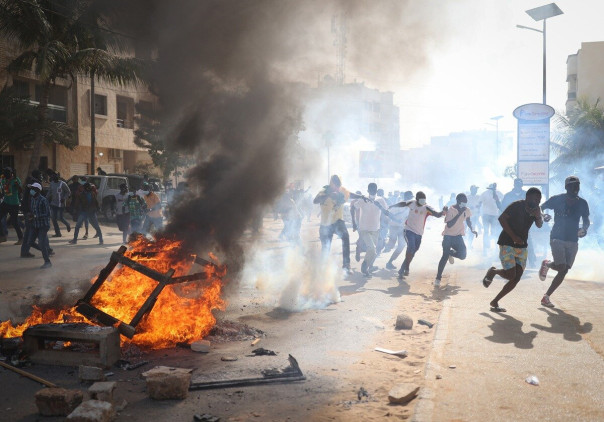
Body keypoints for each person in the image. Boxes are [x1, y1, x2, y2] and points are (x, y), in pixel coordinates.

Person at [481, 188, 543, 312]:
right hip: (507, 243)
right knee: (510, 275)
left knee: (516, 278)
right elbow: (501, 219)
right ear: (527, 197)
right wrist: (514, 237)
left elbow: (539, 225)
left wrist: (538, 216)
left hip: (522, 246)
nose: (536, 202)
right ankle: (493, 271)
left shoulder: (537, 210)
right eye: (534, 199)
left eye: (539, 200)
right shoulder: (516, 205)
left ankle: (495, 301)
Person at [538, 176, 590, 308]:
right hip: (557, 237)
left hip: (573, 239)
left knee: (564, 270)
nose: (575, 188)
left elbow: (586, 220)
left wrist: (584, 229)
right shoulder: (557, 199)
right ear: (566, 187)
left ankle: (546, 296)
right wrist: (543, 215)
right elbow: (541, 207)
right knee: (561, 267)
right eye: (572, 186)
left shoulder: (583, 203)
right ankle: (547, 266)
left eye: (577, 185)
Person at [390, 191, 446, 279]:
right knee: (411, 247)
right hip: (408, 230)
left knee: (413, 251)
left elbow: (436, 214)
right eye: (421, 200)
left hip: (419, 233)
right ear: (416, 199)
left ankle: (402, 270)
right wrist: (393, 206)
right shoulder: (412, 203)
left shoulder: (427, 207)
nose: (423, 201)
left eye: (424, 200)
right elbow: (403, 203)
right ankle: (407, 268)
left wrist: (442, 212)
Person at [314, 175, 360, 273]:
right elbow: (315, 200)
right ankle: (322, 268)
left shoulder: (342, 190)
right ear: (331, 184)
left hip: (338, 221)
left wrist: (361, 197)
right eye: (335, 185)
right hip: (325, 224)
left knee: (345, 238)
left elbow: (350, 194)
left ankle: (346, 265)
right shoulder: (324, 191)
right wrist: (329, 195)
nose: (337, 188)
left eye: (338, 186)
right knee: (326, 247)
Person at [434, 193, 477, 286]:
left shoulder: (466, 210)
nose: (465, 203)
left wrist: (472, 229)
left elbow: (468, 220)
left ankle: (450, 253)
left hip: (458, 236)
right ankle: (438, 278)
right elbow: (449, 225)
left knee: (463, 255)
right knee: (444, 257)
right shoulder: (451, 209)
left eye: (466, 201)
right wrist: (459, 214)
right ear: (458, 201)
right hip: (448, 236)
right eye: (463, 201)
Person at [351, 183, 388, 276]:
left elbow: (386, 212)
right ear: (368, 191)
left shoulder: (380, 200)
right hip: (364, 229)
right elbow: (353, 208)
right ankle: (364, 267)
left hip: (376, 229)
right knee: (371, 249)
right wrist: (354, 223)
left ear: (377, 191)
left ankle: (368, 266)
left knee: (374, 252)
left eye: (374, 190)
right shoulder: (363, 199)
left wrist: (385, 221)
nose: (373, 192)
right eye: (371, 190)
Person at [68, 177, 103, 245]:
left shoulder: (88, 194)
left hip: (87, 212)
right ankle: (100, 240)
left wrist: (98, 208)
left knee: (79, 226)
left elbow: (95, 202)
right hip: (86, 212)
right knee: (95, 226)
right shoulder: (86, 194)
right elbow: (78, 203)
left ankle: (75, 240)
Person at [384, 191, 413, 270]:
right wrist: (397, 220)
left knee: (401, 245)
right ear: (407, 197)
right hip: (395, 227)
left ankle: (389, 262)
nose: (410, 199)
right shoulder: (400, 205)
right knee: (392, 244)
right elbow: (389, 214)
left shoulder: (410, 206)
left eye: (411, 198)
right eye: (410, 197)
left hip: (401, 228)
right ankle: (383, 247)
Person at [26, 182, 52, 269]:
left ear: (38, 190)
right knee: (30, 242)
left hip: (43, 225)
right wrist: (31, 216)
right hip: (35, 224)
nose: (31, 190)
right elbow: (33, 211)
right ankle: (45, 251)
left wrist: (35, 216)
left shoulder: (43, 200)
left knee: (41, 243)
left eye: (33, 189)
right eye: (31, 189)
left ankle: (47, 261)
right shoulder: (32, 199)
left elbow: (48, 213)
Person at [0, 167, 24, 244]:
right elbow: (3, 188)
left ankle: (21, 238)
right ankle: (3, 236)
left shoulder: (16, 179)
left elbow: (20, 191)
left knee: (14, 222)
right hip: (6, 202)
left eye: (8, 172)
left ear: (11, 173)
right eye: (5, 172)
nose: (6, 174)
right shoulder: (4, 179)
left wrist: (17, 185)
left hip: (14, 204)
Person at [479, 182, 503, 256]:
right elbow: (479, 203)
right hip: (486, 215)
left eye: (493, 188)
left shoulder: (498, 193)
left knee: (494, 232)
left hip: (495, 215)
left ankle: (495, 250)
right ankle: (485, 250)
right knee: (486, 232)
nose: (492, 190)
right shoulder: (484, 193)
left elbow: (503, 200)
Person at [47, 172, 71, 237]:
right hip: (53, 204)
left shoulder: (63, 184)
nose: (55, 177)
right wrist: (46, 198)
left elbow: (68, 192)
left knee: (60, 217)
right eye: (53, 176)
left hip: (61, 204)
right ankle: (58, 233)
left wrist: (64, 198)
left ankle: (67, 224)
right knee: (53, 218)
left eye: (56, 176)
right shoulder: (52, 184)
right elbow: (49, 192)